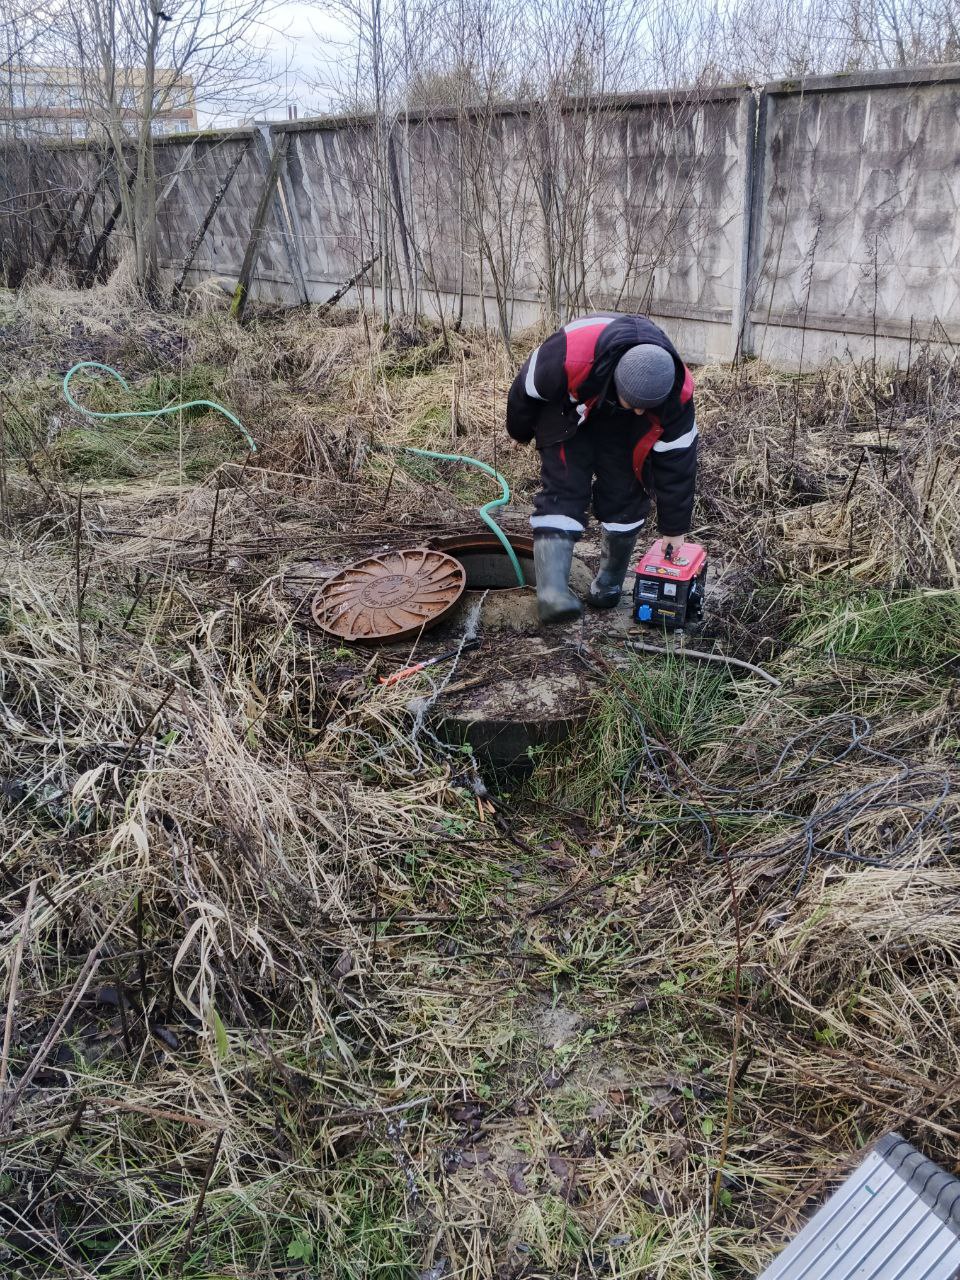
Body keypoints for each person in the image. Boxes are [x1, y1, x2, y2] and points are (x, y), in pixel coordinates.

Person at [506, 312, 698, 623]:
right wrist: (520, 431)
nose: (639, 409)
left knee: (626, 495)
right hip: (569, 410)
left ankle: (607, 587)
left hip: (625, 429)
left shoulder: (677, 396)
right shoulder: (568, 355)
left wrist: (674, 530)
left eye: (645, 406)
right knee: (564, 486)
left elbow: (678, 463)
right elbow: (524, 391)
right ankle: (552, 594)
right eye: (633, 401)